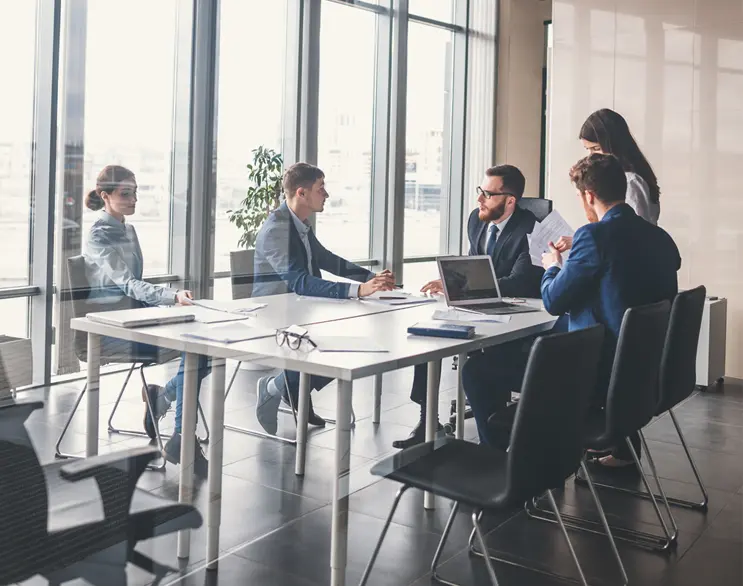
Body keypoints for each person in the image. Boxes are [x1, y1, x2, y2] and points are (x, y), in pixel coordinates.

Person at [464, 153, 680, 471]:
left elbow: (553, 300)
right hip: (643, 372)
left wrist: (552, 267)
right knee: (535, 342)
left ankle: (500, 466)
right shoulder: (661, 238)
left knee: (478, 371)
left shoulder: (593, 236)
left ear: (588, 196)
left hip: (595, 375)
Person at [392, 164, 546, 449]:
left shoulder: (531, 229)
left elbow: (520, 281)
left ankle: (496, 439)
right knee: (431, 335)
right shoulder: (477, 220)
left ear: (510, 200)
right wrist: (453, 281)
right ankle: (428, 421)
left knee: (483, 366)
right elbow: (475, 267)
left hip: (518, 312)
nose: (479, 200)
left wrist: (464, 287)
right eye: (480, 191)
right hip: (478, 305)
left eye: (488, 194)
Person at [85, 165, 210, 478]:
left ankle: (164, 398)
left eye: (135, 192)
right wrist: (170, 296)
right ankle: (181, 434)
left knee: (204, 348)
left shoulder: (128, 229)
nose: (134, 199)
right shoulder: (99, 234)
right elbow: (128, 283)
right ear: (105, 196)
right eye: (126, 193)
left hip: (137, 317)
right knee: (194, 351)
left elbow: (135, 285)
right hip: (111, 328)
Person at [252, 162, 396, 434]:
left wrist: (370, 278)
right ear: (301, 193)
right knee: (336, 348)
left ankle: (289, 388)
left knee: (348, 345)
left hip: (302, 310)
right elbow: (299, 281)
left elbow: (326, 259)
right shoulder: (276, 230)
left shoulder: (300, 225)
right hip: (275, 316)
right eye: (321, 189)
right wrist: (357, 291)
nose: (327, 195)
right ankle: (277, 387)